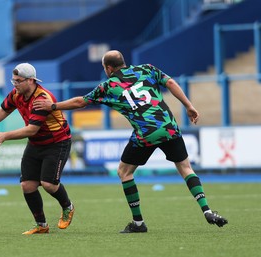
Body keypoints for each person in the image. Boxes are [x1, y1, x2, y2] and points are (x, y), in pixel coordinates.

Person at [33, 50, 228, 233]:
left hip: (145, 134)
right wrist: (189, 106)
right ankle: (207, 210)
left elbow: (80, 102)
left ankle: (138, 223)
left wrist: (52, 106)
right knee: (185, 168)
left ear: (108, 68)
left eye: (104, 68)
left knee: (124, 172)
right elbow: (170, 83)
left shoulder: (108, 87)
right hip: (169, 127)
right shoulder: (147, 69)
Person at [0, 63, 75, 235]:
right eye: (13, 80)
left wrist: (5, 135)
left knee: (48, 184)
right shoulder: (17, 94)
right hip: (36, 143)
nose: (14, 84)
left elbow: (32, 129)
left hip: (57, 143)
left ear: (31, 80)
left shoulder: (41, 99)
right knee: (27, 185)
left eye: (18, 81)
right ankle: (41, 225)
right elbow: (3, 110)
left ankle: (68, 206)